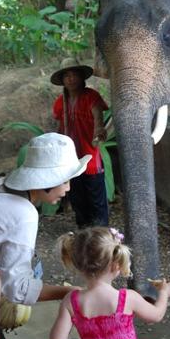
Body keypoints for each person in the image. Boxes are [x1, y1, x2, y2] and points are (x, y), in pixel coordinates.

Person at [0, 132, 91, 339]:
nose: (68, 189)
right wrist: (68, 292)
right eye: (65, 181)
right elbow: (18, 289)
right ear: (47, 180)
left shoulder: (1, 187)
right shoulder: (23, 213)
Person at [50, 226, 170, 339]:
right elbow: (156, 315)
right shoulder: (127, 298)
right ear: (117, 265)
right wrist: (164, 292)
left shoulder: (70, 302)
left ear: (77, 264)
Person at [51, 58, 109, 229]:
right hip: (70, 161)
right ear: (62, 80)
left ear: (82, 77)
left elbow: (98, 114)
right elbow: (58, 128)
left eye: (74, 75)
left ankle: (101, 235)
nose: (71, 79)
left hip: (90, 159)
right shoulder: (59, 103)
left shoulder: (91, 97)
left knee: (96, 200)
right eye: (67, 76)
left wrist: (99, 129)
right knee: (77, 199)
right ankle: (84, 232)